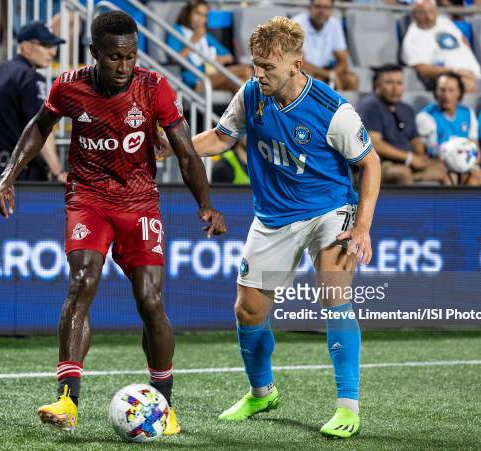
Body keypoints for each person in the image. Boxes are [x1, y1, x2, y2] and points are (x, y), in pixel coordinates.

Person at [0, 11, 226, 434]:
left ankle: (165, 406)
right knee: (82, 282)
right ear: (95, 52)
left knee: (150, 302)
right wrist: (9, 178)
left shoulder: (155, 88)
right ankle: (67, 401)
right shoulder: (68, 86)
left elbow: (186, 152)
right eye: (114, 57)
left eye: (131, 56)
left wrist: (206, 204)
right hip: (88, 199)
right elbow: (38, 128)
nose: (123, 66)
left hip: (139, 204)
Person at [161, 16, 380, 438]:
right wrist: (172, 149)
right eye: (255, 64)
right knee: (248, 310)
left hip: (328, 210)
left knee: (333, 292)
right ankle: (262, 392)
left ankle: (347, 407)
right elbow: (222, 138)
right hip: (273, 216)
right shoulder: (250, 94)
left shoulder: (334, 111)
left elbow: (369, 163)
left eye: (268, 67)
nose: (258, 74)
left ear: (297, 63)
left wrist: (363, 227)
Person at [0, 21, 67, 182]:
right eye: (46, 45)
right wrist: (57, 171)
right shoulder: (31, 78)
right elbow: (41, 127)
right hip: (22, 177)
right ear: (26, 47)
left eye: (54, 46)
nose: (53, 52)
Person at [358, 64, 448, 185]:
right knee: (403, 173)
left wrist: (420, 156)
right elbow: (376, 144)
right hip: (380, 164)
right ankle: (409, 204)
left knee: (441, 169)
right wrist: (410, 158)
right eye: (389, 83)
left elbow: (415, 139)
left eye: (399, 83)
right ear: (377, 85)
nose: (395, 88)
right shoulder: (370, 106)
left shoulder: (407, 109)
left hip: (407, 162)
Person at [166, 0, 253, 93]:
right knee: (246, 70)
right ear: (188, 13)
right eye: (197, 13)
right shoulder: (176, 31)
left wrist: (218, 59)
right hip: (196, 80)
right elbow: (175, 60)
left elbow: (229, 57)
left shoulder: (205, 36)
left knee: (241, 83)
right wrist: (193, 41)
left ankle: (250, 107)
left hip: (213, 75)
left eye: (204, 16)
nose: (200, 19)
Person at [415, 71, 481, 185]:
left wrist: (472, 163)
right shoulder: (425, 117)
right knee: (450, 175)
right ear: (436, 92)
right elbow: (429, 153)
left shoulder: (468, 113)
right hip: (440, 164)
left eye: (451, 90)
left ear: (459, 93)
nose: (446, 95)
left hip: (465, 164)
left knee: (478, 175)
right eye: (442, 90)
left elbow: (475, 148)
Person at [401, 0, 481, 92]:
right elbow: (423, 70)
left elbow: (463, 41)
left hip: (474, 74)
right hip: (449, 79)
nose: (429, 17)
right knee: (467, 86)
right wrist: (456, 71)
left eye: (431, 11)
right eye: (422, 13)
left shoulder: (444, 22)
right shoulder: (413, 37)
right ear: (414, 15)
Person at [292, 0, 358, 91]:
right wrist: (329, 74)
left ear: (331, 10)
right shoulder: (297, 23)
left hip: (325, 70)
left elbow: (343, 62)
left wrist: (333, 74)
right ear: (310, 8)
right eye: (318, 6)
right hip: (302, 72)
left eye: (326, 7)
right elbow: (299, 62)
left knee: (352, 80)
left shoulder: (335, 24)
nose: (322, 11)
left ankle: (342, 105)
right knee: (317, 82)